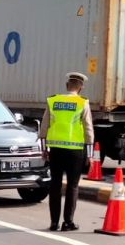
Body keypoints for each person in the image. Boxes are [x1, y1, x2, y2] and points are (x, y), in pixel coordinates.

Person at [39, 72, 94, 232]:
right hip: (75, 152)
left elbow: (44, 127)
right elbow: (88, 129)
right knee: (72, 186)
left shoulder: (53, 100)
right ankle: (68, 222)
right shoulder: (82, 103)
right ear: (80, 88)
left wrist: (44, 149)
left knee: (55, 185)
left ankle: (54, 223)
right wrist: (90, 155)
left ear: (66, 86)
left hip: (55, 150)